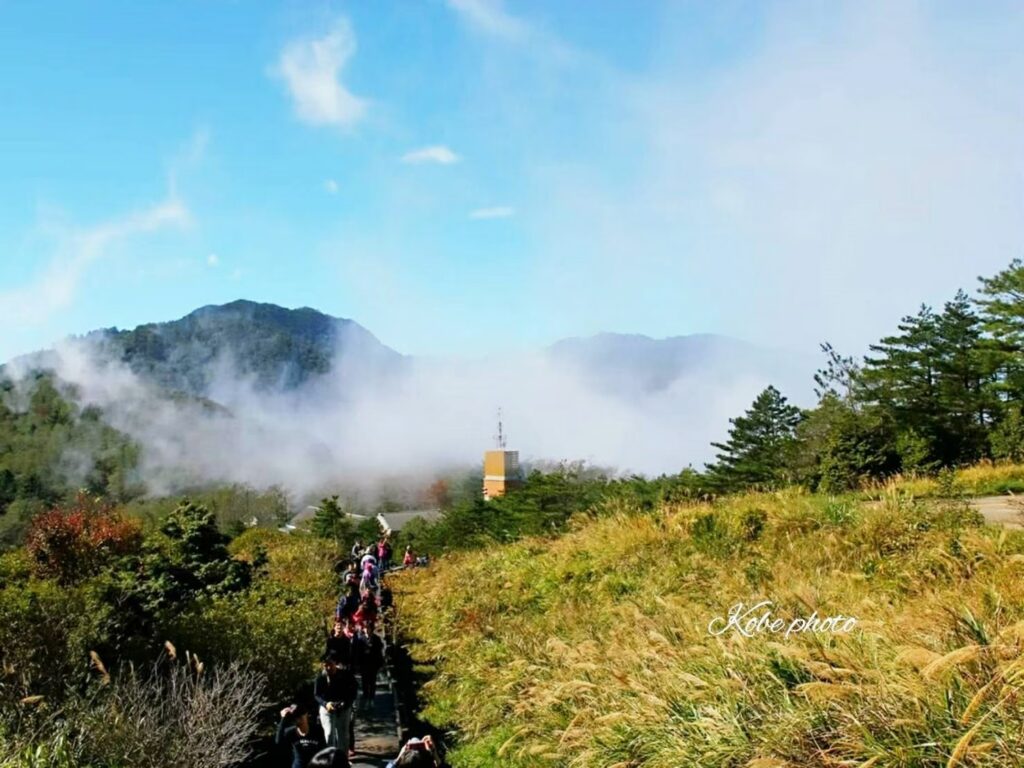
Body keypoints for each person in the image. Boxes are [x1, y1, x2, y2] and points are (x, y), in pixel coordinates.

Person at [313, 651, 359, 753]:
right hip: (327, 708)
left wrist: (346, 703)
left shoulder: (346, 675)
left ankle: (343, 757)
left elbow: (354, 690)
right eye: (326, 665)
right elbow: (316, 694)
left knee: (343, 735)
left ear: (335, 663)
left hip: (343, 708)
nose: (328, 668)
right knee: (329, 734)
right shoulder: (320, 677)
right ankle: (331, 757)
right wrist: (325, 704)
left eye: (331, 664)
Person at [277, 703, 324, 768]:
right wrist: (283, 719)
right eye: (295, 716)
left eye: (299, 715)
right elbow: (278, 741)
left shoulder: (317, 730)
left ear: (306, 714)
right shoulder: (291, 732)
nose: (297, 719)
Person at [353, 621, 385, 708]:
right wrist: (357, 664)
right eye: (365, 628)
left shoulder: (376, 639)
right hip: (364, 664)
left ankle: (372, 699)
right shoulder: (361, 639)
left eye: (368, 628)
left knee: (372, 682)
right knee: (365, 683)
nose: (366, 630)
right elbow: (358, 652)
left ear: (371, 629)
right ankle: (366, 698)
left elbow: (379, 652)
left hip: (373, 664)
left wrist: (380, 663)